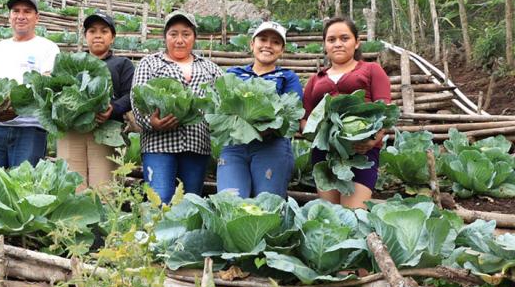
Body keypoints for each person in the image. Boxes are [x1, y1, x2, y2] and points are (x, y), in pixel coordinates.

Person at [131, 11, 223, 204]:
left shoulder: (210, 68)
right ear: (165, 37)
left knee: (189, 203)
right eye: (173, 34)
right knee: (160, 201)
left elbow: (223, 101)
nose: (179, 40)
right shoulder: (150, 63)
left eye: (186, 34)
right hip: (158, 145)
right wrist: (152, 122)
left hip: (196, 145)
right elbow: (136, 99)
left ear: (194, 38)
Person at [302, 17, 392, 209]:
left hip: (361, 152)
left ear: (356, 42)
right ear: (325, 45)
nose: (338, 44)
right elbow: (305, 118)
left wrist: (372, 140)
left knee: (354, 214)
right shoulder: (314, 80)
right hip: (324, 153)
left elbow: (385, 111)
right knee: (331, 215)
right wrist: (320, 135)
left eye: (345, 38)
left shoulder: (372, 70)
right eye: (331, 40)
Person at [0, 0, 60, 171]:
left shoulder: (48, 47)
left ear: (37, 18)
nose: (21, 16)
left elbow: (47, 83)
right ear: (10, 16)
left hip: (30, 128)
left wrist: (15, 105)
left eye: (27, 11)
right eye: (16, 11)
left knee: (24, 188)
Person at [216, 21, 303, 199]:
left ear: (282, 49)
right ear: (252, 44)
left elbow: (291, 112)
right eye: (262, 39)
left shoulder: (288, 77)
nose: (268, 45)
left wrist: (263, 128)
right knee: (229, 202)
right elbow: (219, 107)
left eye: (275, 42)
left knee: (267, 206)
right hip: (234, 147)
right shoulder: (233, 73)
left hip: (272, 146)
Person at [56, 11, 134, 189]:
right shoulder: (69, 62)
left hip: (106, 132)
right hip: (72, 131)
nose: (98, 35)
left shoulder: (122, 64)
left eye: (104, 31)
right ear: (85, 36)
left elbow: (131, 95)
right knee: (72, 188)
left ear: (112, 37)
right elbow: (55, 91)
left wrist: (112, 109)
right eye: (92, 31)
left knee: (105, 189)